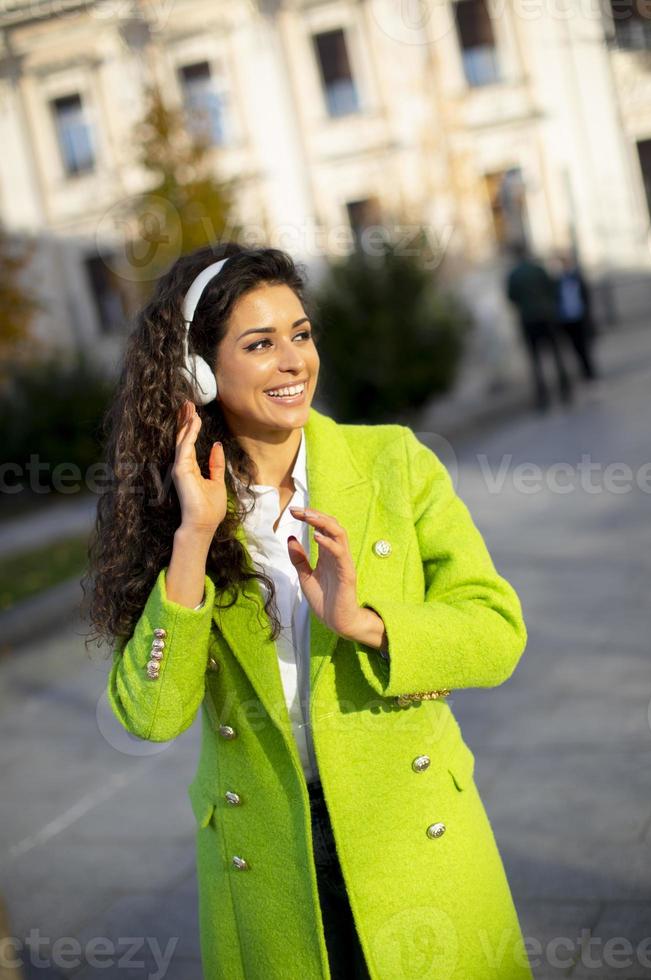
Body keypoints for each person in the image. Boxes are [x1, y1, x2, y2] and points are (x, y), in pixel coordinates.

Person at [86, 242, 534, 980]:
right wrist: (195, 536)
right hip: (264, 858)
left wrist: (366, 624)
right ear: (198, 372)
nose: (294, 360)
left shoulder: (395, 461)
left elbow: (496, 632)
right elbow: (149, 716)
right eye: (259, 344)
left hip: (410, 830)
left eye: (301, 333)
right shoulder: (179, 511)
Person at [506, 243, 573, 411]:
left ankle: (543, 396)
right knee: (556, 354)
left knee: (536, 360)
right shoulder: (538, 270)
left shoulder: (514, 275)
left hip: (529, 320)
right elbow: (552, 288)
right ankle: (565, 388)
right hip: (546, 316)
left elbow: (511, 296)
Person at [555, 251, 599, 383]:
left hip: (579, 316)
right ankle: (584, 371)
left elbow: (585, 296)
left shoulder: (576, 277)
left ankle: (589, 371)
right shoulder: (558, 281)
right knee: (575, 347)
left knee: (584, 345)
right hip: (567, 319)